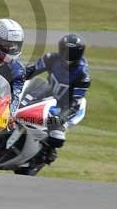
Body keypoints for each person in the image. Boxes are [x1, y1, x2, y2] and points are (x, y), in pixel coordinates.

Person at [24, 33, 91, 167]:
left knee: (56, 133)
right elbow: (31, 70)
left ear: (79, 54)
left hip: (69, 105)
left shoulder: (83, 75)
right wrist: (18, 75)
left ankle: (49, 151)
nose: (67, 55)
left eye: (71, 53)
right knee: (22, 102)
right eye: (64, 51)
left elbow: (75, 104)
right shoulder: (51, 58)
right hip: (49, 93)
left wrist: (60, 118)